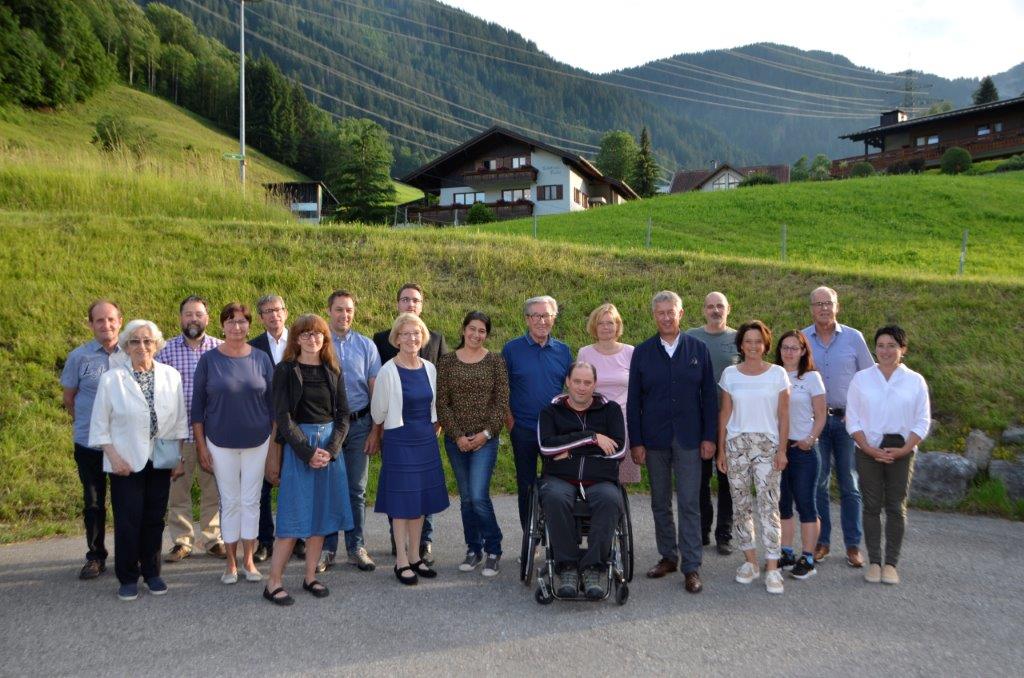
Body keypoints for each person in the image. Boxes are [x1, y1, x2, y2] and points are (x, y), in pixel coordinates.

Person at [89, 319, 187, 601]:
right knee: (128, 521)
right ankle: (128, 577)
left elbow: (179, 420)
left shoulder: (171, 375)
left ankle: (152, 573)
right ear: (126, 346)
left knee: (155, 519)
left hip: (160, 459)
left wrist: (178, 457)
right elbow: (100, 425)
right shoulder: (112, 380)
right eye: (135, 341)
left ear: (156, 345)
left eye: (147, 341)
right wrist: (114, 458)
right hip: (125, 462)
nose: (142, 346)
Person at [627, 291, 717, 594]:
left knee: (690, 502)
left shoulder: (698, 349)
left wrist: (709, 436)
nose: (666, 317)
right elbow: (634, 401)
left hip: (690, 438)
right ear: (654, 316)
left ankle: (692, 566)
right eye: (661, 313)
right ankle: (668, 556)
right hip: (654, 439)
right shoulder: (642, 352)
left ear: (681, 314)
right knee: (660, 501)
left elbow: (709, 397)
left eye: (671, 312)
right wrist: (637, 441)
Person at [264, 314, 353, 606]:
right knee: (293, 517)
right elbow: (283, 417)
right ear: (296, 339)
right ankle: (273, 582)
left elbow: (343, 415)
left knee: (321, 517)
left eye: (317, 334)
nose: (312, 339)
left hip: (328, 449)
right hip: (300, 448)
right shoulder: (285, 370)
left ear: (325, 338)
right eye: (305, 334)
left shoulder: (333, 369)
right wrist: (307, 451)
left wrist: (332, 449)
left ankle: (310, 576)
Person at [192, 302, 275, 585]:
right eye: (231, 321)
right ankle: (230, 563)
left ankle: (249, 560)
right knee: (229, 502)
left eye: (242, 321)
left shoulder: (261, 359)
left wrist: (274, 446)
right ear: (222, 325)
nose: (236, 327)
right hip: (219, 443)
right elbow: (197, 409)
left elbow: (274, 407)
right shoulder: (209, 360)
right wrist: (201, 446)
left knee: (251, 501)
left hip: (258, 442)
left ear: (249, 325)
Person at [846, 325, 931, 586]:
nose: (885, 351)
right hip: (868, 450)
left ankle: (891, 563)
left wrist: (905, 449)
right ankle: (874, 562)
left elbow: (922, 420)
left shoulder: (915, 381)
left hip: (901, 450)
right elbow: (852, 418)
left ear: (903, 349)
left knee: (895, 507)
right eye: (881, 346)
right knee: (871, 506)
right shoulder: (862, 379)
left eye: (892, 346)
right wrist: (867, 447)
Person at [372, 282, 450, 565]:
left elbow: (434, 402)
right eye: (405, 334)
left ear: (423, 337)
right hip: (399, 440)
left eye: (416, 333)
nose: (411, 338)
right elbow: (378, 412)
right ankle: (401, 560)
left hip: (425, 440)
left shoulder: (430, 368)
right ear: (397, 338)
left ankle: (416, 556)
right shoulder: (387, 370)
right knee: (402, 502)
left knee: (420, 502)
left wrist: (436, 424)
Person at [538, 362, 626, 600]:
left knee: (610, 500)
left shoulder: (611, 410)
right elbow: (546, 448)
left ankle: (593, 568)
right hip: (560, 478)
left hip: (600, 480)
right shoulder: (551, 412)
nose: (582, 387)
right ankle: (567, 566)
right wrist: (592, 438)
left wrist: (569, 450)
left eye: (587, 382)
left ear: (595, 385)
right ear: (568, 381)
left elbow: (619, 451)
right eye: (577, 381)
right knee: (554, 497)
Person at [802, 286, 874, 568]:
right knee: (819, 484)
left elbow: (869, 379)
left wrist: (859, 414)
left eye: (828, 303)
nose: (823, 308)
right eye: (818, 304)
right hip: (816, 422)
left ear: (837, 306)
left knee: (850, 483)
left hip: (847, 422)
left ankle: (853, 546)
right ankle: (822, 542)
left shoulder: (854, 338)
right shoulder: (802, 339)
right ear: (811, 308)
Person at [717, 320, 790, 594]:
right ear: (741, 344)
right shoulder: (730, 374)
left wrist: (782, 450)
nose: (753, 346)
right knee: (740, 506)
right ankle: (750, 561)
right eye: (748, 341)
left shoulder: (778, 374)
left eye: (758, 341)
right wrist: (721, 450)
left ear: (766, 344)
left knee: (769, 506)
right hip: (736, 445)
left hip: (768, 445)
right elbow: (725, 414)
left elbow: (784, 415)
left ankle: (772, 567)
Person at [436, 311, 509, 577]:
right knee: (466, 499)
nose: (476, 335)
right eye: (472, 329)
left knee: (478, 496)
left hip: (485, 440)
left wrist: (485, 434)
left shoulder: (495, 361)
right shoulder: (447, 361)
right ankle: (474, 548)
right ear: (463, 329)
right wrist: (457, 436)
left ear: (486, 334)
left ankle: (494, 548)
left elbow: (501, 402)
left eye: (482, 331)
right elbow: (442, 402)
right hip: (456, 441)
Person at [157, 295, 225, 563]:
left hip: (213, 434)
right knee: (178, 490)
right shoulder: (165, 351)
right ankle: (182, 541)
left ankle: (212, 539)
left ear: (207, 318)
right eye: (188, 314)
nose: (193, 319)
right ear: (180, 318)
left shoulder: (220, 349)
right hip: (178, 434)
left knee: (213, 489)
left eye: (198, 314)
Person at [60, 299, 124, 580]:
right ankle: (96, 556)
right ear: (90, 324)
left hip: (123, 444)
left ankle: (128, 555)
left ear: (120, 322)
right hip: (89, 443)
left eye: (111, 319)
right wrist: (91, 425)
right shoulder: (79, 357)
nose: (106, 325)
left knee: (125, 503)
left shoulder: (130, 354)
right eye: (99, 320)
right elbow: (69, 399)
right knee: (94, 502)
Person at [321, 290, 381, 573]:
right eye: (339, 309)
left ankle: (356, 547)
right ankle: (327, 549)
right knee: (329, 489)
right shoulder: (318, 343)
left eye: (349, 310)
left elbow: (375, 389)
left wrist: (376, 430)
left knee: (357, 490)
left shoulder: (366, 346)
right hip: (327, 426)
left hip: (359, 425)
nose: (344, 315)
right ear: (329, 311)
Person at [502, 295, 574, 531]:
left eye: (547, 316)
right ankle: (530, 536)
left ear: (554, 318)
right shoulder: (512, 349)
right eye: (536, 316)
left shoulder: (563, 351)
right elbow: (501, 388)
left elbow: (572, 389)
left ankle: (555, 535)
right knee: (526, 485)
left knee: (556, 485)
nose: (542, 321)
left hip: (554, 431)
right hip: (522, 428)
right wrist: (510, 421)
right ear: (527, 319)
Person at [685, 291, 738, 555]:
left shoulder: (739, 338)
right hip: (699, 420)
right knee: (700, 479)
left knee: (728, 479)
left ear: (728, 309)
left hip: (732, 420)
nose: (715, 310)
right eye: (710, 306)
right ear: (703, 310)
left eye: (720, 306)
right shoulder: (690, 338)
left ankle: (724, 534)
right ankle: (702, 529)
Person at [774, 330, 826, 580]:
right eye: (785, 347)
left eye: (794, 348)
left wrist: (810, 439)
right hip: (778, 449)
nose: (789, 352)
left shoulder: (812, 378)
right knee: (782, 503)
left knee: (806, 504)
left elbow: (821, 415)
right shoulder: (773, 375)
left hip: (803, 449)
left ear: (803, 351)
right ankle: (786, 552)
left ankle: (808, 557)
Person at [577, 303, 638, 485]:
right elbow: (578, 388)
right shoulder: (585, 353)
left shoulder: (630, 352)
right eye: (601, 323)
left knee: (622, 479)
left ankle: (619, 503)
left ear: (617, 325)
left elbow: (638, 389)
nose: (605, 327)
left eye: (610, 323)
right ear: (594, 327)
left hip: (625, 422)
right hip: (594, 422)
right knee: (596, 477)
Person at [250, 294, 289, 563]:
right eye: (267, 311)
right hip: (263, 425)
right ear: (261, 318)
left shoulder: (300, 341)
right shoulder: (253, 347)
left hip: (296, 423)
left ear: (285, 312)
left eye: (277, 310)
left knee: (292, 486)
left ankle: (295, 539)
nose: (273, 315)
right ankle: (265, 541)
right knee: (261, 488)